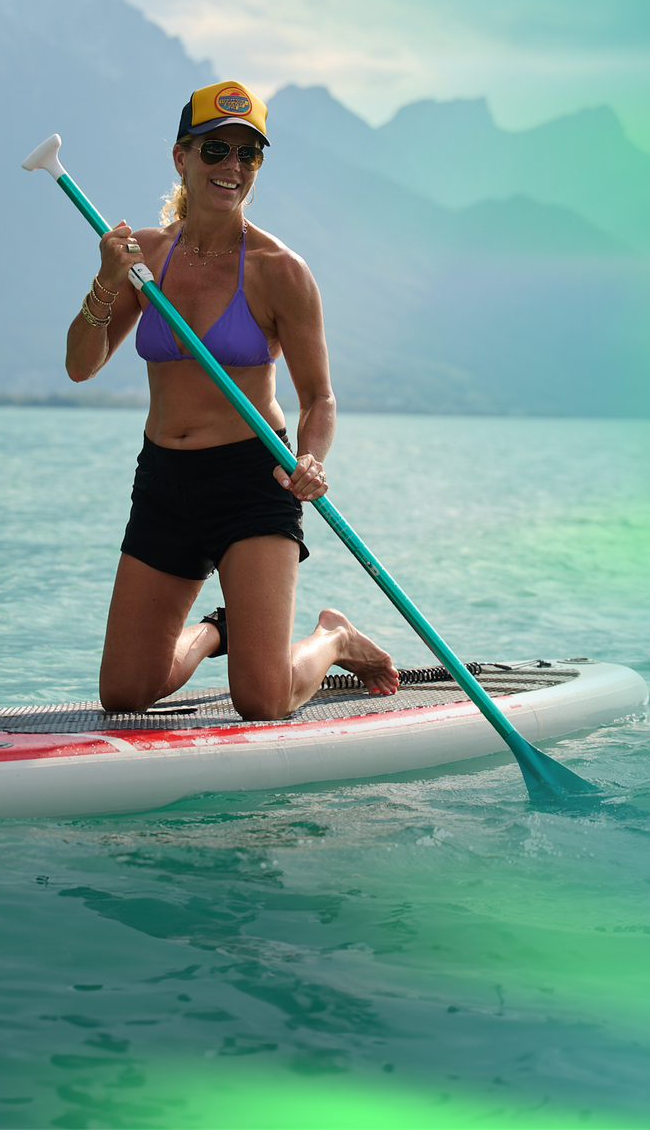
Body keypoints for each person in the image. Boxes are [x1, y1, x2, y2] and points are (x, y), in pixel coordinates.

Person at [64, 81, 399, 719]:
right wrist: (107, 281)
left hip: (253, 480)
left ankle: (333, 636)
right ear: (180, 157)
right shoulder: (145, 260)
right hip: (164, 479)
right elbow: (81, 365)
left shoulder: (280, 271)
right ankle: (223, 631)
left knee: (263, 700)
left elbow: (319, 398)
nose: (232, 168)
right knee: (125, 694)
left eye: (248, 156)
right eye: (216, 149)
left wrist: (312, 458)